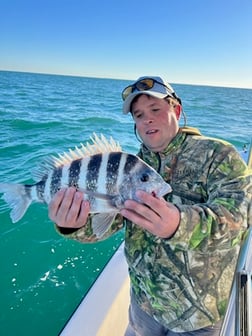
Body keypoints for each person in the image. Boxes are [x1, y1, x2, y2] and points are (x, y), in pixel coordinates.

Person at [49, 76, 252, 335]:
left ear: (176, 110)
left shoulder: (218, 154)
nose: (147, 119)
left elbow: (241, 218)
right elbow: (104, 227)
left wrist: (179, 224)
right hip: (143, 308)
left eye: (155, 109)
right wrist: (72, 225)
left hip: (199, 316)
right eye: (139, 115)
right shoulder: (129, 167)